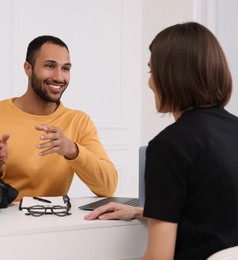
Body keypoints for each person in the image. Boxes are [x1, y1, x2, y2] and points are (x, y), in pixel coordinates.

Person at [85, 22, 238, 259]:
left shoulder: (168, 147)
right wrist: (143, 211)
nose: (149, 82)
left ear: (172, 76)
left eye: (151, 71)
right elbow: (212, 215)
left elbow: (159, 257)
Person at [0, 35, 118, 204]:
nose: (59, 77)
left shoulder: (79, 122)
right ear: (28, 68)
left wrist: (73, 150)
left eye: (65, 68)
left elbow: (108, 186)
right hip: (0, 227)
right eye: (49, 66)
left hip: (52, 225)